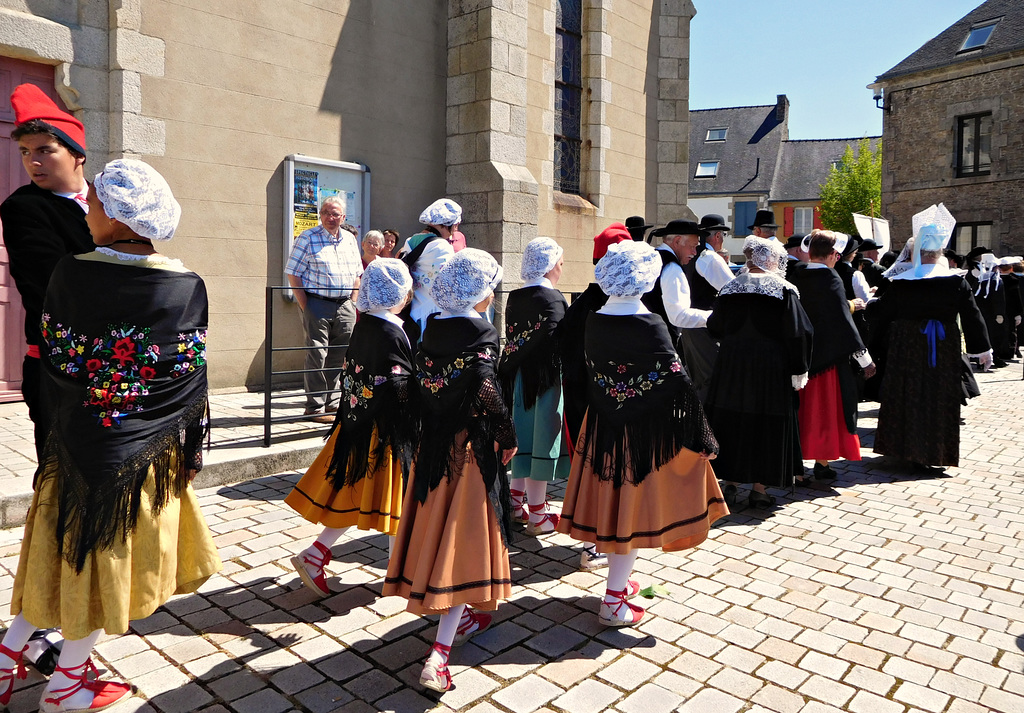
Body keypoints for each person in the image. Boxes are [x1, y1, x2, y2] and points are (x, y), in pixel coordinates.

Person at [1, 159, 220, 712]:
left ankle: (5, 663)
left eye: (96, 202)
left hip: (75, 445)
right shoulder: (184, 286)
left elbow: (56, 358)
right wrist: (189, 451)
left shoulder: (69, 272)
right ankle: (68, 682)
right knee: (108, 567)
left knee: (58, 554)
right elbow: (187, 378)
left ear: (124, 220)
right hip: (141, 460)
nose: (88, 208)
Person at [557, 241, 726, 627]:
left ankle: (620, 582)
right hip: (641, 436)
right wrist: (702, 437)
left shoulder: (596, 317)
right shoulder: (648, 323)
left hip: (601, 428)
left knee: (614, 511)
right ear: (646, 280)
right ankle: (613, 601)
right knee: (630, 517)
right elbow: (678, 382)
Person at [382, 248, 515, 692]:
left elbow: (424, 382)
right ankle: (440, 653)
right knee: (462, 537)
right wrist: (505, 433)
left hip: (433, 444)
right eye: (491, 287)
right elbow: (485, 386)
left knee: (440, 527)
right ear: (480, 292)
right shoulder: (481, 330)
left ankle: (473, 608)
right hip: (468, 449)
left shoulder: (432, 325)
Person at [284, 259, 418, 597]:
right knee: (393, 496)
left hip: (357, 423)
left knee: (355, 492)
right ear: (397, 293)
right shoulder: (393, 330)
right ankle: (399, 569)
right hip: (386, 430)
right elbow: (400, 386)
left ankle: (316, 555)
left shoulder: (366, 323)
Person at [0, 84, 96, 463]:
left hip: (118, 356)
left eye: (44, 150)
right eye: (25, 152)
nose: (32, 161)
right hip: (61, 360)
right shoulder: (25, 207)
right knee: (64, 469)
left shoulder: (107, 197)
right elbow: (49, 284)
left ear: (76, 153)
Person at [867, 205, 992, 470]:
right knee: (938, 396)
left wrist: (869, 305)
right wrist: (981, 349)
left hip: (907, 346)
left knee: (907, 392)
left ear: (915, 254)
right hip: (943, 346)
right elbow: (972, 315)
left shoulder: (903, 282)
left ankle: (903, 449)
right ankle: (935, 454)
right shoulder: (956, 282)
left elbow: (884, 311)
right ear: (939, 253)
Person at [704, 238, 813, 509]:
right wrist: (799, 368)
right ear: (771, 259)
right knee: (764, 422)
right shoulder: (783, 291)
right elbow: (799, 332)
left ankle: (729, 483)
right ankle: (759, 488)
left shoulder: (729, 289)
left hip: (732, 366)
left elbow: (714, 326)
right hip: (769, 368)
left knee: (732, 418)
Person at [556, 224, 631, 570]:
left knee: (587, 474)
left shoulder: (582, 303)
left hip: (579, 401)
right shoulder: (616, 306)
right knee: (602, 476)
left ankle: (592, 540)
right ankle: (595, 545)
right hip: (600, 406)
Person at [787, 230, 875, 483]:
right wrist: (864, 359)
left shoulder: (796, 275)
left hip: (800, 355)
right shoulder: (831, 278)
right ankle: (821, 463)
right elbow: (842, 321)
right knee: (825, 411)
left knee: (801, 410)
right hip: (828, 359)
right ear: (834, 255)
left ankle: (796, 465)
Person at [498, 238, 570, 536]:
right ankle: (538, 515)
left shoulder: (516, 295)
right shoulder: (553, 298)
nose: (562, 269)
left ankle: (515, 504)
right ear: (551, 265)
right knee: (540, 443)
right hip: (545, 383)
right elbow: (558, 343)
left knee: (522, 440)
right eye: (561, 263)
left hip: (518, 380)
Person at [286, 196, 363, 423]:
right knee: (317, 354)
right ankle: (315, 407)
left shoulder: (349, 239)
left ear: (343, 217)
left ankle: (333, 403)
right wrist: (306, 305)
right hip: (317, 303)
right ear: (320, 215)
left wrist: (354, 300)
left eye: (335, 214)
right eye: (327, 213)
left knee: (339, 356)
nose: (331, 218)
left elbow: (358, 273)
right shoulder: (308, 237)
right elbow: (293, 273)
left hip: (344, 304)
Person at [679, 214, 735, 400]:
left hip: (688, 324)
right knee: (712, 378)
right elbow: (732, 290)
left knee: (698, 379)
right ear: (718, 236)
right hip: (705, 326)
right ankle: (707, 426)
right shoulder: (709, 258)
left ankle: (699, 424)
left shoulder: (689, 257)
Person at [396, 198, 459, 341]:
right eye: (455, 225)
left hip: (410, 311)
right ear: (446, 224)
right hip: (431, 313)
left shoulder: (411, 240)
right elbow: (447, 283)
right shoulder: (442, 246)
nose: (455, 230)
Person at [643, 220, 711, 344]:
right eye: (693, 246)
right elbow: (679, 316)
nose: (694, 253)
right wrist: (716, 317)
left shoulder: (651, 259)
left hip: (644, 337)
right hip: (661, 343)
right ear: (677, 241)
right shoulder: (672, 268)